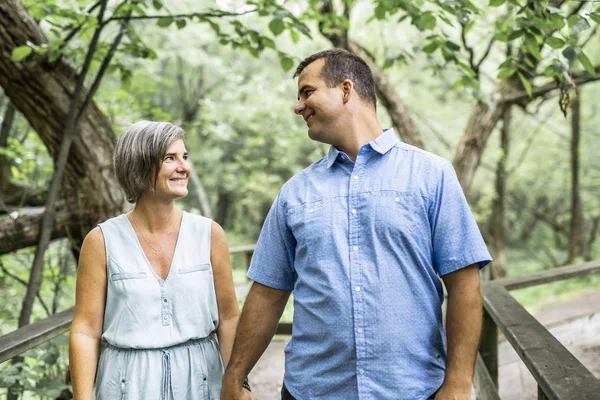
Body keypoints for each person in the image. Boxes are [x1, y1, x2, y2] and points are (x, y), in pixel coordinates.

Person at [221, 49, 492, 400]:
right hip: (312, 391)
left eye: (307, 92)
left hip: (413, 390)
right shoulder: (295, 193)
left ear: (346, 90)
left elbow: (465, 284)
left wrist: (457, 385)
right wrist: (235, 377)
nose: (298, 106)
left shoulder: (431, 175)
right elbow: (267, 293)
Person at [69, 121, 240, 400]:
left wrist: (239, 384)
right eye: (169, 158)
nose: (183, 166)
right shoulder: (101, 241)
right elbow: (86, 331)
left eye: (185, 157)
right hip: (126, 385)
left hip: (201, 382)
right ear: (139, 165)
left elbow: (229, 318)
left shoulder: (210, 234)